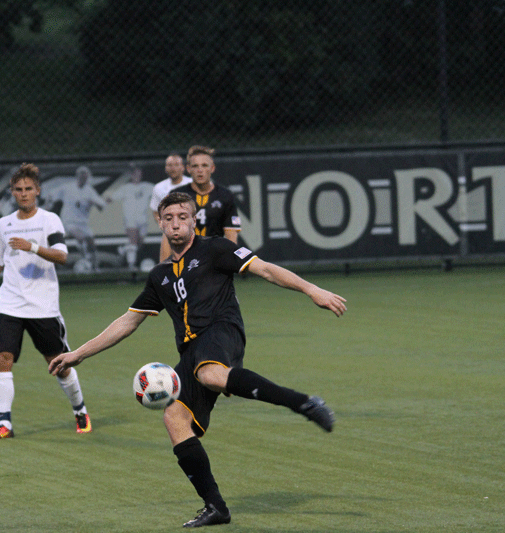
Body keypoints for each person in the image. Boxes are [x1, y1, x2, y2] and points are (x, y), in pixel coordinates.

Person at [49, 191, 346, 527]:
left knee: (211, 374)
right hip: (190, 351)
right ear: (160, 223)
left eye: (183, 216)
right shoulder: (160, 275)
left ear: (193, 220)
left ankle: (303, 404)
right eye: (169, 218)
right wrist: (78, 354)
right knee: (174, 418)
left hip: (222, 330)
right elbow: (127, 322)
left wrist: (312, 290)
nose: (176, 223)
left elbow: (264, 270)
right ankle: (216, 507)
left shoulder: (215, 248)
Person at [0, 163, 91, 439]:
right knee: (3, 358)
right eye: (18, 189)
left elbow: (62, 255)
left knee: (58, 364)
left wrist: (33, 247)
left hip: (43, 306)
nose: (24, 194)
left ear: (38, 191)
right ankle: (4, 423)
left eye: (29, 189)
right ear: (12, 192)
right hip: (9, 304)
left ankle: (80, 410)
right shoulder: (3, 225)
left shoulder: (49, 220)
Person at [165, 145, 240, 256]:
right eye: (195, 166)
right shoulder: (176, 196)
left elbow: (231, 236)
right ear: (189, 169)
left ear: (212, 168)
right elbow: (168, 237)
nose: (200, 170)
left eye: (204, 165)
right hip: (185, 260)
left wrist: (229, 262)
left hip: (215, 259)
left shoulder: (225, 196)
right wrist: (163, 269)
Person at [45, 165, 107, 271]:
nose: (83, 177)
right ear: (77, 176)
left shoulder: (89, 191)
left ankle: (95, 266)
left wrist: (95, 203)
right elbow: (51, 195)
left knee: (91, 243)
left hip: (83, 223)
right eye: (81, 175)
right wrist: (48, 206)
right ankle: (86, 260)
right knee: (81, 237)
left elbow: (102, 206)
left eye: (85, 175)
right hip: (69, 222)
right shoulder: (68, 188)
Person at [107, 164, 155, 270]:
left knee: (139, 244)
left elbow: (160, 191)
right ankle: (131, 266)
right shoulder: (125, 188)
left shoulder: (147, 186)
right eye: (136, 174)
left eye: (139, 174)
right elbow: (111, 198)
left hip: (143, 220)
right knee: (133, 243)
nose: (138, 176)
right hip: (130, 220)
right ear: (132, 175)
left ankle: (123, 249)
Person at [150, 153, 192, 262]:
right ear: (165, 168)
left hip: (192, 233)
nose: (173, 168)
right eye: (169, 165)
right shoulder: (159, 188)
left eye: (176, 164)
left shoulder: (191, 184)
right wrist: (164, 225)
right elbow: (155, 210)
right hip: (170, 233)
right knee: (166, 265)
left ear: (183, 167)